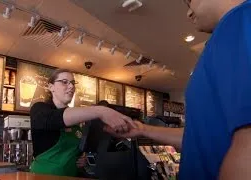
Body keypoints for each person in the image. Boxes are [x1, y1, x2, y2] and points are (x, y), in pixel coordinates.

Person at [105, 0, 251, 179]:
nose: (188, 13)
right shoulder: (226, 35)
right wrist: (142, 130)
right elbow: (198, 140)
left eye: (189, 2)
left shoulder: (242, 20)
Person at [29, 69, 135, 177]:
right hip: (42, 176)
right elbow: (52, 118)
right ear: (51, 87)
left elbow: (78, 151)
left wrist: (83, 158)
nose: (71, 86)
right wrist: (101, 111)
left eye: (73, 83)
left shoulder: (76, 122)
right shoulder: (39, 109)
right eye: (65, 82)